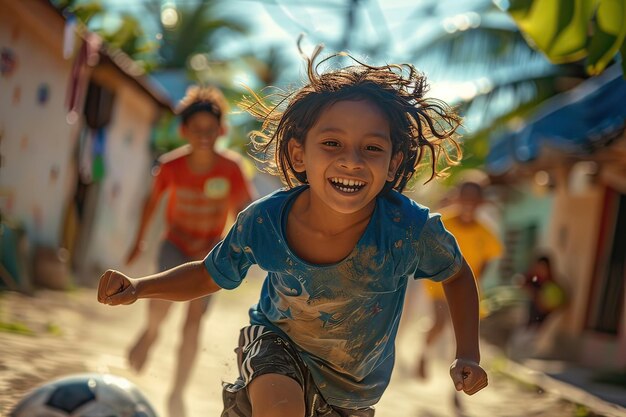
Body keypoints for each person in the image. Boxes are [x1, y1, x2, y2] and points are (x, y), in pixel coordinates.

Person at [98, 45, 488, 417]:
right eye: (332, 143)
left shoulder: (409, 229)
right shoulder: (266, 221)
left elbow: (455, 273)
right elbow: (207, 273)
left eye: (371, 148)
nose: (351, 161)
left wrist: (468, 352)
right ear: (299, 154)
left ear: (393, 163)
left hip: (354, 389)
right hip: (275, 346)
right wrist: (139, 287)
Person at [124, 85, 256, 417]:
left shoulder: (231, 169)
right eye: (195, 130)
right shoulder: (171, 166)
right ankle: (151, 332)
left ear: (221, 131)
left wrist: (246, 250)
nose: (203, 136)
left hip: (210, 254)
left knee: (193, 321)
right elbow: (151, 202)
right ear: (184, 131)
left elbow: (246, 211)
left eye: (210, 130)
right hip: (175, 245)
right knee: (160, 307)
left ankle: (178, 390)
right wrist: (138, 241)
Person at [417, 179, 503, 380]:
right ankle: (424, 353)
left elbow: (490, 257)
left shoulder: (485, 232)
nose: (468, 203)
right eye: (465, 198)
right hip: (439, 283)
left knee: (460, 333)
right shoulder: (442, 222)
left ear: (481, 202)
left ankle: (458, 378)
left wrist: (476, 279)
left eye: (474, 199)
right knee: (440, 323)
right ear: (457, 198)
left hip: (467, 287)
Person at [521, 254, 566, 328]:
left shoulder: (552, 288)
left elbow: (545, 307)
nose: (540, 271)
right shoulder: (537, 284)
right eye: (538, 268)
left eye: (543, 268)